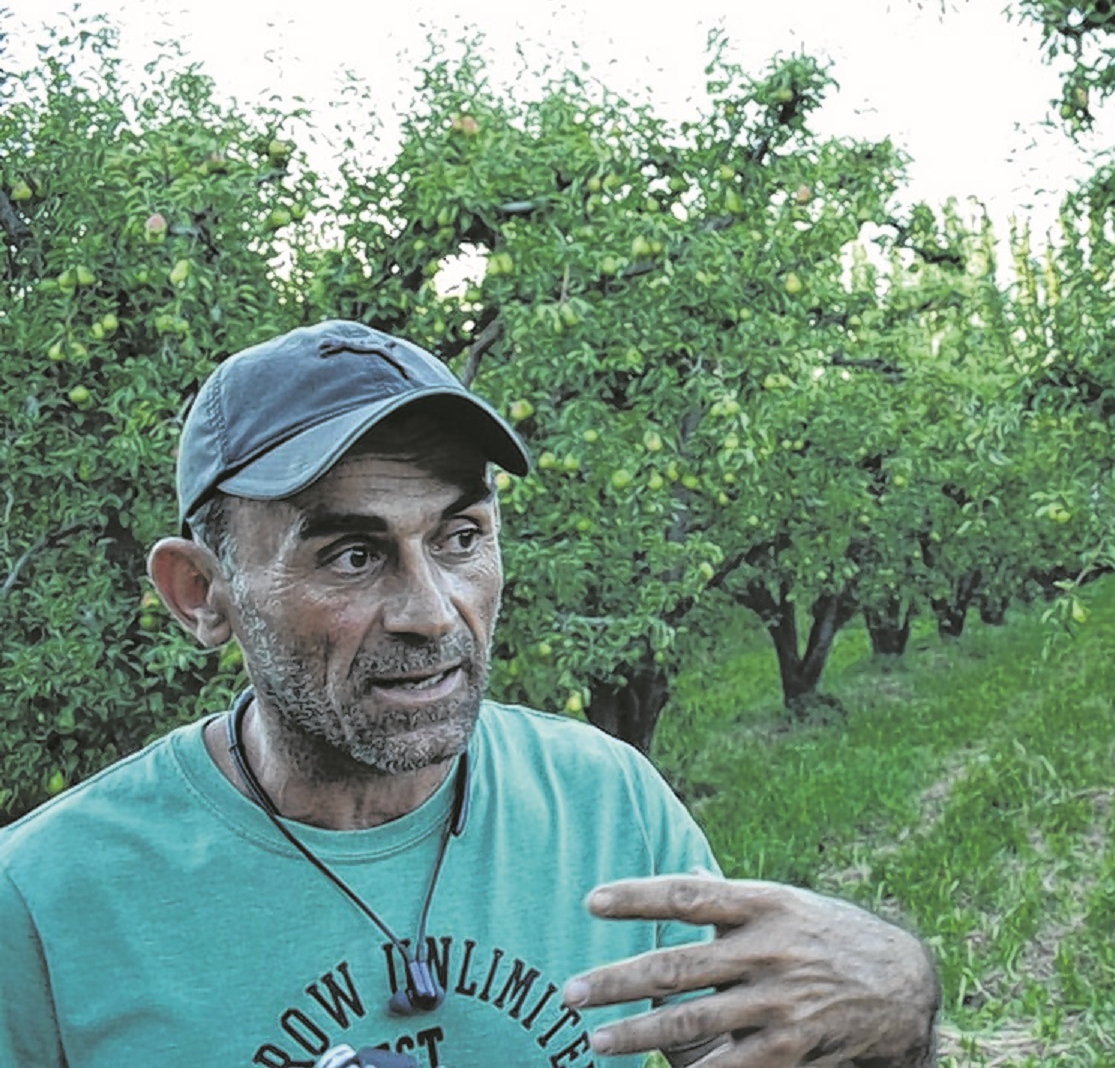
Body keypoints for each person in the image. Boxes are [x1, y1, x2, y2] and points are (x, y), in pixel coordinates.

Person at [0, 320, 939, 1068]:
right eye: (353, 554)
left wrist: (896, 1014)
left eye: (460, 538)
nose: (432, 613)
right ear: (202, 596)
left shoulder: (604, 800)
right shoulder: (44, 901)